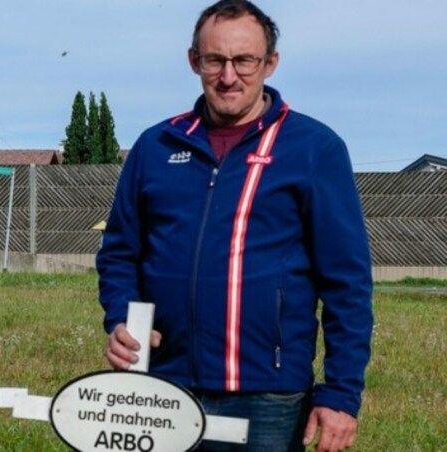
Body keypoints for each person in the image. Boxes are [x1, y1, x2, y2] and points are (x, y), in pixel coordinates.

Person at [96, 1, 373, 451]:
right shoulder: (156, 146)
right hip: (162, 381)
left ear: (270, 63)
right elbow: (120, 254)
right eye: (214, 60)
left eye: (244, 60)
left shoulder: (312, 148)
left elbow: (347, 283)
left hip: (267, 394)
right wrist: (122, 318)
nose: (228, 76)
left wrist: (342, 393)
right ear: (193, 61)